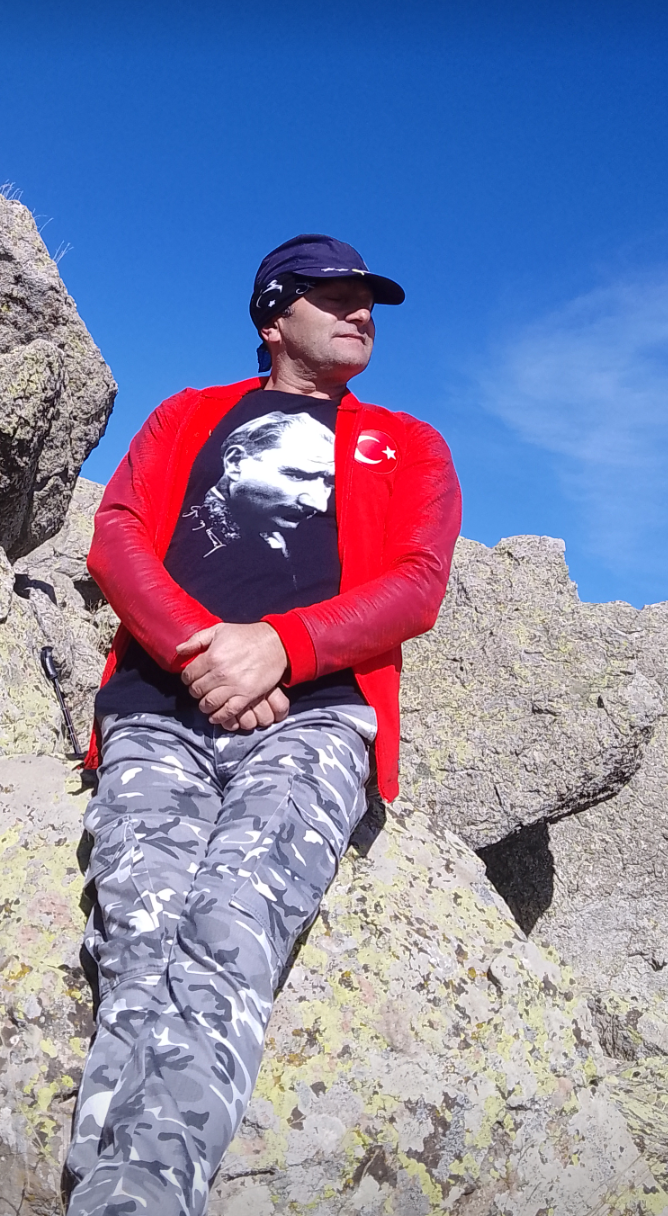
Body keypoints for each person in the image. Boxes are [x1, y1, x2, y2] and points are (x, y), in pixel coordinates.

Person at [64, 233, 462, 1216]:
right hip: (156, 709)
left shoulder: (407, 442)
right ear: (275, 314)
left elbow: (416, 585)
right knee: (139, 941)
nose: (362, 312)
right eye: (337, 295)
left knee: (231, 923)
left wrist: (282, 646)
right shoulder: (190, 415)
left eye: (369, 300)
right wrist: (203, 653)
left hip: (314, 719)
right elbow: (117, 535)